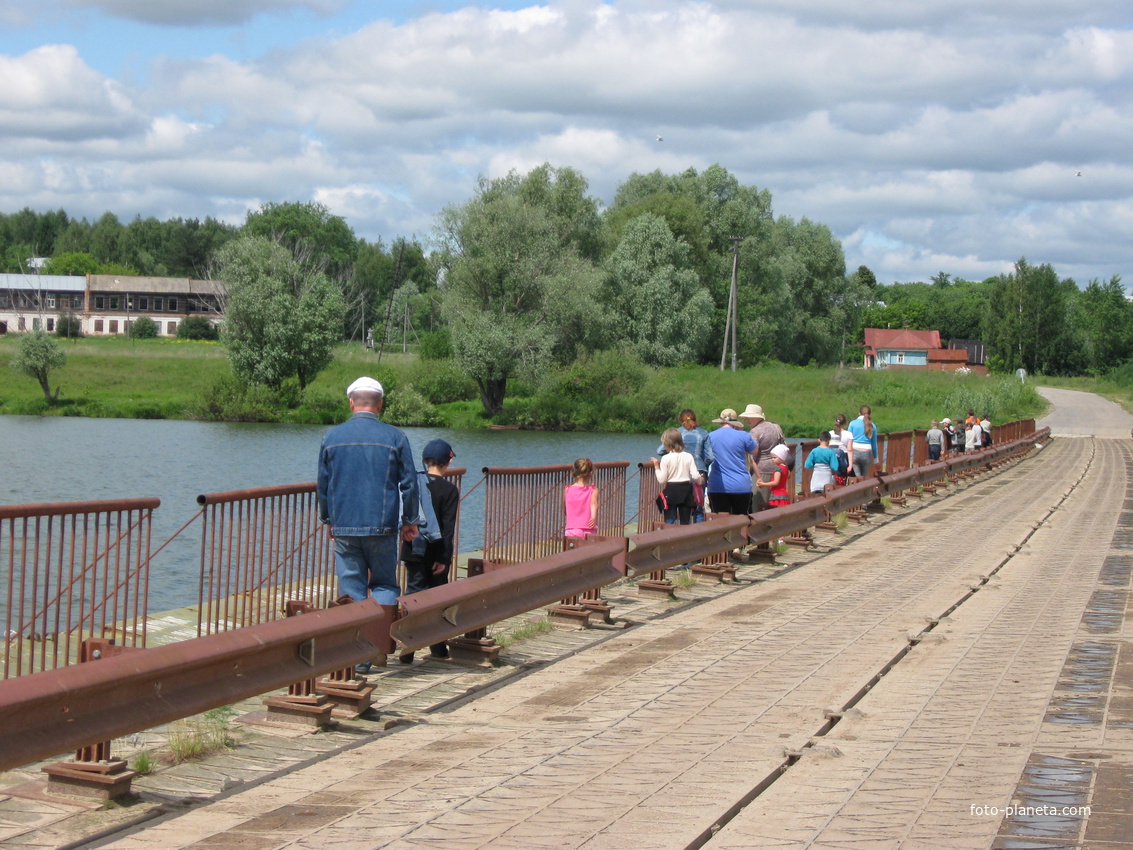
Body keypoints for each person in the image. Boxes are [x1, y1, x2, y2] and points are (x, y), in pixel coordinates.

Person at [317, 377, 419, 673]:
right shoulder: (396, 437)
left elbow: (323, 486)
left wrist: (327, 519)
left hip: (345, 526)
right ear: (380, 405)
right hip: (383, 526)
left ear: (351, 403)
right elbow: (410, 484)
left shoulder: (331, 438)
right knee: (385, 584)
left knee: (352, 589)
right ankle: (380, 647)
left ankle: (358, 658)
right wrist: (409, 520)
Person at [399, 439, 460, 664]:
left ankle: (407, 648)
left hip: (413, 548)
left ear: (425, 461)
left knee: (414, 595)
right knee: (437, 598)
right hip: (436, 553)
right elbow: (448, 527)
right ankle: (437, 647)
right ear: (448, 462)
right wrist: (444, 557)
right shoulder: (450, 489)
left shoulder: (413, 483)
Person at [706, 409, 758, 515]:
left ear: (720, 422)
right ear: (735, 423)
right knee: (741, 519)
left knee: (720, 521)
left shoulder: (710, 436)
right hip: (741, 485)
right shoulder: (744, 436)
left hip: (717, 485)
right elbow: (755, 450)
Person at [739, 403, 785, 512]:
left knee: (759, 504)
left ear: (756, 417)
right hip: (778, 469)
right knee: (773, 503)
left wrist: (758, 477)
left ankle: (760, 527)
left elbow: (753, 457)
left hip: (762, 470)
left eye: (748, 418)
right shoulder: (775, 427)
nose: (747, 420)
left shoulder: (755, 432)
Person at [654, 428, 704, 526]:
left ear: (667, 444)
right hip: (686, 491)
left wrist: (656, 467)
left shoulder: (665, 458)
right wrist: (700, 480)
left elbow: (662, 480)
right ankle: (684, 539)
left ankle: (670, 538)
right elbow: (695, 476)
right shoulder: (688, 456)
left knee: (670, 521)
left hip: (671, 491)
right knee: (685, 522)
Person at [564, 458, 598, 542]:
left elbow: (565, 510)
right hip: (588, 528)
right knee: (589, 553)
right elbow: (593, 503)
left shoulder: (567, 490)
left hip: (572, 528)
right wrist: (593, 517)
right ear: (591, 473)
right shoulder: (593, 490)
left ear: (574, 472)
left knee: (572, 553)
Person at [848, 404, 879, 478]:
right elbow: (874, 446)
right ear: (870, 414)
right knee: (864, 478)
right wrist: (876, 460)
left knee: (857, 478)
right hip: (866, 453)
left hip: (855, 452)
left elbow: (848, 440)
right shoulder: (872, 426)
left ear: (859, 413)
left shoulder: (852, 423)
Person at [831, 413, 854, 486]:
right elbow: (850, 450)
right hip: (844, 457)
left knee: (831, 478)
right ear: (845, 423)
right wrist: (850, 465)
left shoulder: (830, 433)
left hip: (832, 456)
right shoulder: (849, 434)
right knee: (842, 480)